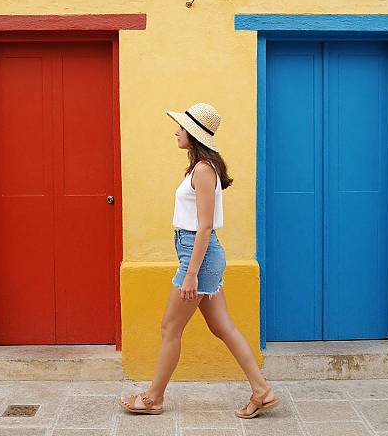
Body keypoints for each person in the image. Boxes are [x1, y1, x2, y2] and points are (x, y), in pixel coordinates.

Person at [118, 102, 279, 419]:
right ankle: (262, 391)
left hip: (198, 257)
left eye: (181, 127)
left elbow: (204, 225)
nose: (176, 131)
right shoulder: (199, 168)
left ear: (193, 134)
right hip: (199, 255)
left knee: (170, 328)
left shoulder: (204, 170)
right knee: (224, 328)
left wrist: (191, 274)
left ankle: (153, 398)